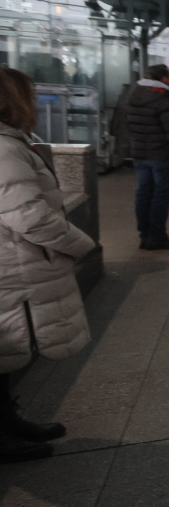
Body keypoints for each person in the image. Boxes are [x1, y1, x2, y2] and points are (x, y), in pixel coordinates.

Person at [0, 68, 93, 462]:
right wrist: (80, 244)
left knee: (8, 357)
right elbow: (28, 216)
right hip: (13, 268)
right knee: (10, 346)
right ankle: (4, 439)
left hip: (15, 265)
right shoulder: (4, 149)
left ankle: (10, 423)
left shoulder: (11, 143)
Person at [124, 64, 169, 250]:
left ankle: (144, 235)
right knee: (161, 196)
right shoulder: (164, 98)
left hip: (140, 154)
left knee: (143, 194)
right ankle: (157, 236)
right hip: (163, 155)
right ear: (163, 79)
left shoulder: (133, 95)